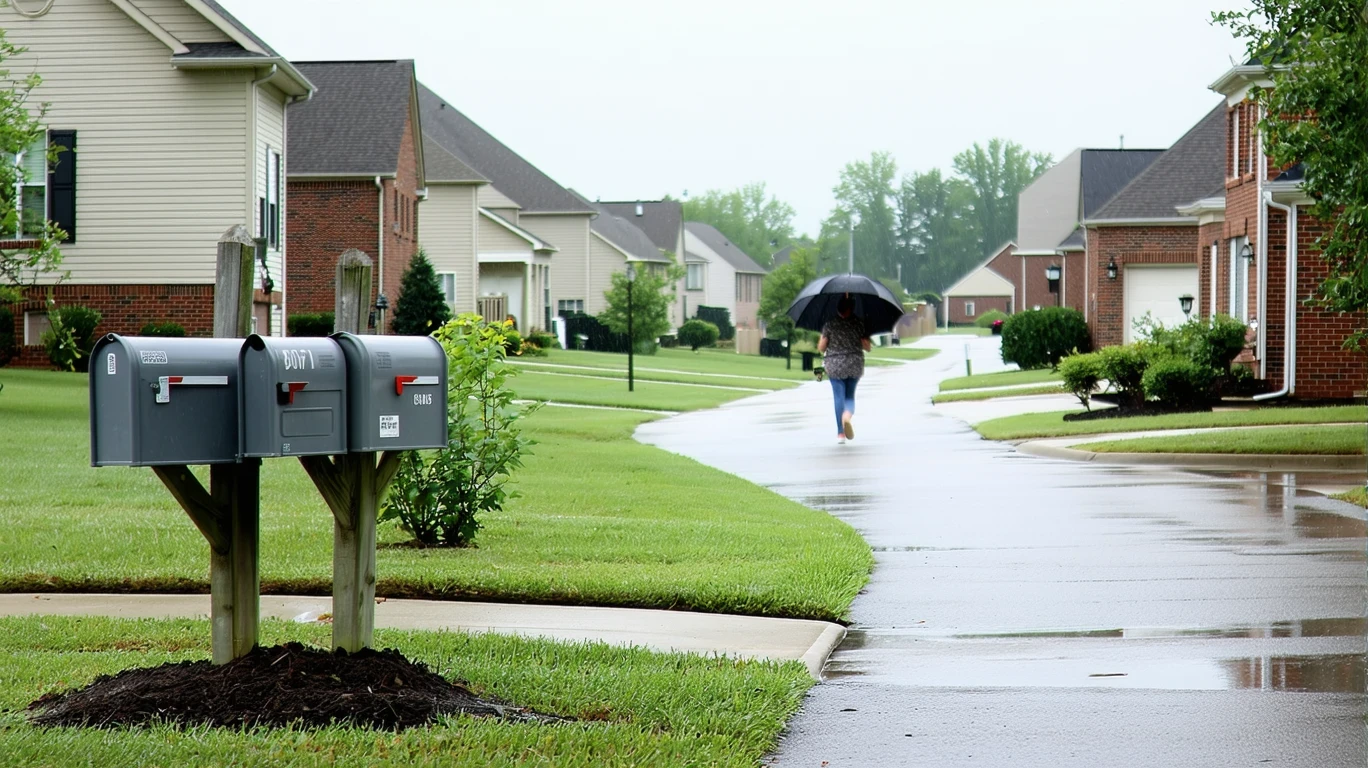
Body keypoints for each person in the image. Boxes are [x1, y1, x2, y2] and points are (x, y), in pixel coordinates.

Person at [818, 296, 871, 443]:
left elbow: (821, 348)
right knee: (849, 397)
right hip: (854, 363)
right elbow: (868, 348)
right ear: (852, 308)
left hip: (834, 365)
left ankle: (840, 433)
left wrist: (824, 337)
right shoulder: (859, 323)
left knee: (838, 396)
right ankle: (847, 416)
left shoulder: (830, 324)